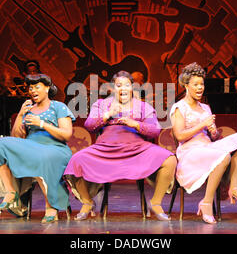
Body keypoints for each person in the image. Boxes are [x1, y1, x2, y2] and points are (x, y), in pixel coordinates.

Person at [64, 71, 177, 221]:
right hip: (105, 150)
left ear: (132, 87)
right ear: (112, 88)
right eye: (118, 85)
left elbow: (155, 130)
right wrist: (107, 114)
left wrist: (136, 124)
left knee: (169, 160)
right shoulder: (101, 104)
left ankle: (155, 203)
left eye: (127, 85)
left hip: (137, 150)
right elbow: (90, 125)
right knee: (76, 160)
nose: (123, 88)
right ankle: (87, 202)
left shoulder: (143, 106)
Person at [0, 74, 75, 223]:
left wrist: (42, 124)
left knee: (42, 157)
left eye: (37, 87)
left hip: (55, 149)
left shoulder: (58, 107)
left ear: (47, 88)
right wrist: (20, 115)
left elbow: (66, 135)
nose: (32, 91)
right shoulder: (28, 109)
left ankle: (51, 206)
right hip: (30, 146)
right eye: (30, 88)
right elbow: (15, 138)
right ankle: (11, 191)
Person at [170, 63, 237, 224]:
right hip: (190, 152)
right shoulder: (180, 107)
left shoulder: (205, 107)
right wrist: (202, 124)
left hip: (207, 147)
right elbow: (179, 136)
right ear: (186, 86)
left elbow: (211, 136)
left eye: (202, 84)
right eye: (196, 84)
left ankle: (234, 187)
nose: (200, 88)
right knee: (224, 156)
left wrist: (213, 133)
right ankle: (206, 202)